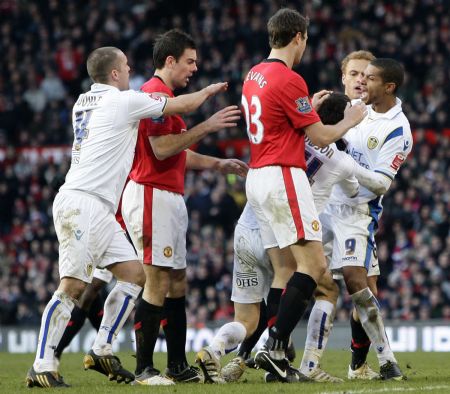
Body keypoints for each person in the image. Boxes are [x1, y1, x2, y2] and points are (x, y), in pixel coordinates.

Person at [26, 45, 233, 388]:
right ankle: (43, 364)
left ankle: (103, 346)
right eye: (125, 64)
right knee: (72, 285)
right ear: (115, 74)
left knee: (135, 274)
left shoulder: (84, 101)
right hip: (84, 203)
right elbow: (181, 104)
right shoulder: (122, 101)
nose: (130, 68)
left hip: (99, 206)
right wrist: (210, 93)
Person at [199, 92, 361, 383]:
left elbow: (296, 131)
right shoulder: (342, 161)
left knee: (246, 319)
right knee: (314, 285)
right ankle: (279, 352)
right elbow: (353, 191)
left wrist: (308, 110)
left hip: (246, 229)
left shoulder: (290, 137)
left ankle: (218, 350)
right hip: (281, 229)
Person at [242, 8, 366, 382]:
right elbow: (321, 137)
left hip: (258, 175)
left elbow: (284, 122)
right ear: (298, 37)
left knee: (286, 271)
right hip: (283, 176)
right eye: (306, 39)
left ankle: (274, 358)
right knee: (313, 267)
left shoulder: (254, 74)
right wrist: (350, 120)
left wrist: (306, 109)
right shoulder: (290, 78)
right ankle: (272, 344)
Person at [120, 29, 247, 386]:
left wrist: (217, 164)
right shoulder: (154, 94)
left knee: (177, 282)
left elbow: (177, 151)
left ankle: (177, 365)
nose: (195, 67)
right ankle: (144, 369)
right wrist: (207, 125)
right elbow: (161, 149)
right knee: (157, 280)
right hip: (150, 193)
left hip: (169, 195)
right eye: (190, 61)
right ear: (170, 60)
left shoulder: (165, 97)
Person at [322, 58, 413, 381]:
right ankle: (271, 353)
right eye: (358, 76)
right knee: (300, 276)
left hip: (358, 211)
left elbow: (381, 183)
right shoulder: (355, 108)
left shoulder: (397, 130)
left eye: (370, 78)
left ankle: (382, 360)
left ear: (388, 87)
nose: (362, 82)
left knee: (358, 281)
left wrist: (344, 165)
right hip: (324, 203)